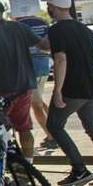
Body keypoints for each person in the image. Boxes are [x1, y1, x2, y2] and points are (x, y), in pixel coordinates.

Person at [44, 0, 93, 186]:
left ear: (54, 8)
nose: (48, 9)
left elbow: (61, 59)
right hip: (90, 87)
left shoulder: (56, 30)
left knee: (54, 125)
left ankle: (79, 170)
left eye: (49, 6)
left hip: (71, 88)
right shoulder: (83, 29)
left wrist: (58, 90)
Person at [0, 0, 49, 157]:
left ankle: (4, 165)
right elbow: (44, 46)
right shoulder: (21, 27)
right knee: (24, 127)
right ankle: (27, 164)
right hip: (23, 87)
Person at [15, 13, 56, 149]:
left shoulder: (20, 25)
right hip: (43, 65)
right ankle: (54, 131)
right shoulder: (42, 22)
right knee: (39, 99)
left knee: (36, 104)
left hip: (30, 68)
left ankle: (52, 136)